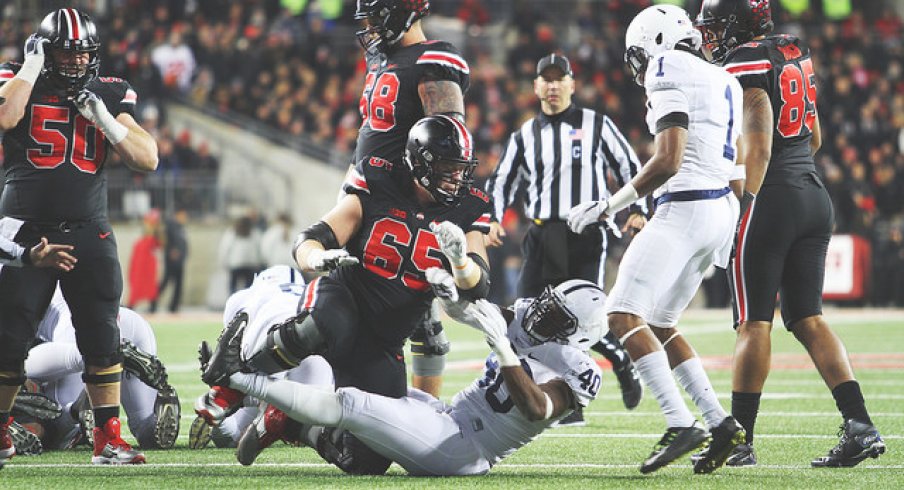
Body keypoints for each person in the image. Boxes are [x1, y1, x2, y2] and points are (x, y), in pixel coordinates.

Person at [198, 116, 492, 475]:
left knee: (367, 461)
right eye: (448, 167)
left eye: (461, 169)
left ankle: (292, 424)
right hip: (345, 299)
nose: (456, 177)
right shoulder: (379, 179)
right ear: (421, 161)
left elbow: (478, 285)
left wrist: (460, 262)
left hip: (384, 338)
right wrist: (317, 257)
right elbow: (310, 238)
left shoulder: (469, 206)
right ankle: (232, 381)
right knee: (324, 324)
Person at [695, 0, 885, 468]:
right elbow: (813, 136)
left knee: (753, 322)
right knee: (807, 318)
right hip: (813, 193)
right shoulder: (791, 50)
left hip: (773, 196)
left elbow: (758, 146)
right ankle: (860, 425)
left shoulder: (746, 61)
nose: (710, 38)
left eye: (716, 27)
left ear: (738, 24)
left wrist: (744, 206)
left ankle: (741, 440)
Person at [201, 269, 605, 476]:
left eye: (554, 317)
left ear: (577, 336)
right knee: (365, 382)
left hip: (462, 450)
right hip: (447, 415)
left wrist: (504, 349)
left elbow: (536, 407)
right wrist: (451, 293)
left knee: (351, 404)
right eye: (547, 304)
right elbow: (476, 313)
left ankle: (239, 380)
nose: (539, 314)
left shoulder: (577, 369)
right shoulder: (530, 319)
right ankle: (287, 425)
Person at [568, 4, 745, 474]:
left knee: (621, 312)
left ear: (655, 41)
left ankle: (679, 421)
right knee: (662, 324)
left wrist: (610, 204)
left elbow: (668, 159)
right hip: (720, 207)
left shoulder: (665, 66)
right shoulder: (723, 77)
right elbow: (738, 168)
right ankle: (720, 423)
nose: (638, 67)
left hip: (686, 205)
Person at [0, 8, 158, 468]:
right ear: (43, 52)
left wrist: (106, 120)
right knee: (9, 337)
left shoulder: (107, 90)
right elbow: (7, 117)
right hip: (25, 230)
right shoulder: (16, 77)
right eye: (65, 55)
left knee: (101, 335)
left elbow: (147, 158)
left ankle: (108, 439)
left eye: (83, 55)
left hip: (90, 228)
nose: (75, 64)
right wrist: (29, 68)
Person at [485, 53, 645, 424]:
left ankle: (580, 393)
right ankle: (602, 366)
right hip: (541, 234)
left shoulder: (596, 124)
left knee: (582, 317)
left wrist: (639, 209)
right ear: (536, 86)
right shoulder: (525, 134)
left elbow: (630, 168)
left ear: (572, 84)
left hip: (585, 234)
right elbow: (501, 181)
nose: (553, 85)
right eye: (547, 79)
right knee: (525, 317)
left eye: (560, 79)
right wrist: (491, 219)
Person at [348, 0, 472, 398]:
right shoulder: (383, 60)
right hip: (370, 193)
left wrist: (462, 211)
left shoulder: (432, 59)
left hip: (401, 202)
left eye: (374, 18)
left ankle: (424, 413)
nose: (367, 28)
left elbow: (449, 140)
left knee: (424, 322)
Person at [189, 265, 334, 453]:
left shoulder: (244, 297)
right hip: (313, 352)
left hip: (265, 352)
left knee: (231, 433)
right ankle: (282, 417)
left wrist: (226, 380)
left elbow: (231, 349)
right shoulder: (311, 293)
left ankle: (227, 399)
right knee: (316, 413)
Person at [16, 288, 179, 451]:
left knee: (57, 425)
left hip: (75, 331)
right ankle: (153, 424)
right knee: (143, 422)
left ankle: (90, 371)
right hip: (126, 320)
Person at [154, 209, 188, 313]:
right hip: (172, 261)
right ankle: (153, 303)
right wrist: (171, 251)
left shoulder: (179, 228)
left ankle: (173, 306)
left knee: (178, 285)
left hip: (180, 261)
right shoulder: (171, 226)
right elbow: (165, 241)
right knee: (166, 282)